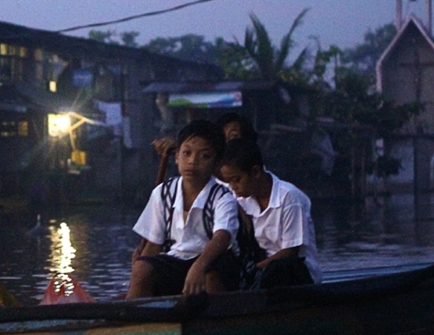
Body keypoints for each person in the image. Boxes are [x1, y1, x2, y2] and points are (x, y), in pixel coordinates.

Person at [126, 120, 242, 299]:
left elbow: (222, 237)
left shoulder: (223, 196)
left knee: (210, 276)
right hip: (176, 261)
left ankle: (215, 323)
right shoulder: (163, 193)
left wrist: (199, 267)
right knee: (142, 269)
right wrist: (140, 271)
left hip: (213, 261)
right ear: (177, 157)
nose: (192, 162)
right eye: (186, 153)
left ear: (217, 163)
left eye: (204, 156)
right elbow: (154, 244)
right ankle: (132, 321)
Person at [217, 138, 321, 288]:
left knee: (279, 269)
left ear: (256, 172)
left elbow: (291, 251)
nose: (233, 187)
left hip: (296, 271)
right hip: (260, 266)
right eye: (229, 181)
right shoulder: (240, 198)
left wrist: (256, 269)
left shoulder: (289, 197)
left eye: (236, 180)